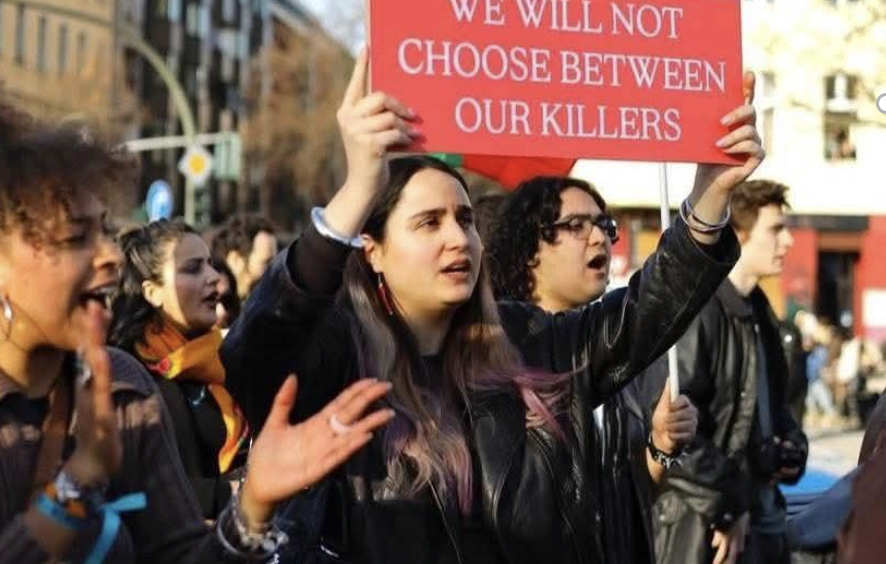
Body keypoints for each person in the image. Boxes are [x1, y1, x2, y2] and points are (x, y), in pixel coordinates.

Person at [222, 51, 764, 564]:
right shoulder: (337, 359)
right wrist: (357, 192)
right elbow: (256, 353)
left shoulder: (528, 340)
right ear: (374, 251)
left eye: (465, 219)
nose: (458, 239)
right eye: (429, 223)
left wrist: (712, 193)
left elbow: (645, 313)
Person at [0, 100, 393, 563]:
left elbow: (182, 555)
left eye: (104, 231)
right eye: (74, 238)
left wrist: (253, 507)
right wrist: (77, 484)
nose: (109, 255)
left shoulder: (123, 385)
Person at [487, 175, 699, 564]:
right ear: (530, 248)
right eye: (576, 226)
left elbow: (624, 498)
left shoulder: (609, 360)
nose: (600, 238)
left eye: (604, 225)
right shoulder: (501, 360)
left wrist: (660, 447)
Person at [648, 179, 808, 564]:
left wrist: (791, 447)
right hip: (704, 528)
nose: (787, 241)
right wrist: (729, 504)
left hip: (759, 519)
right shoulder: (700, 311)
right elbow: (674, 431)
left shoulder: (762, 313)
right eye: (775, 229)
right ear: (739, 233)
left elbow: (771, 409)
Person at [109, 220, 245, 519]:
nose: (214, 278)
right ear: (152, 292)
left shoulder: (223, 359)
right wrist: (237, 493)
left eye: (210, 264)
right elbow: (138, 488)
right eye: (193, 268)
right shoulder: (126, 375)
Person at [210, 214, 278, 300]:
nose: (275, 271)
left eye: (276, 261)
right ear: (235, 260)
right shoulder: (211, 305)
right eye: (266, 263)